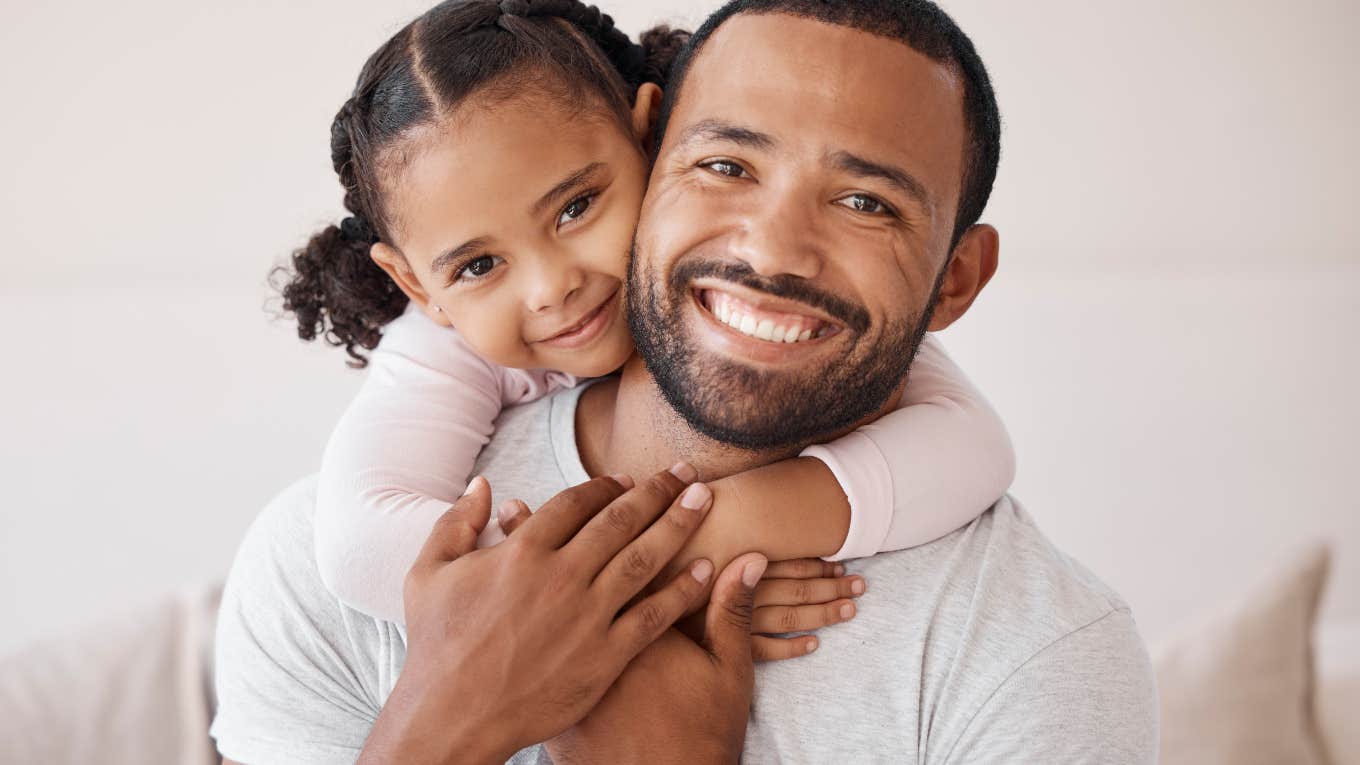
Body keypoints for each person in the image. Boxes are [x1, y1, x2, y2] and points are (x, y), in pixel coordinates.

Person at [212, 0, 1160, 762]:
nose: (774, 248)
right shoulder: (319, 570)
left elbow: (974, 446)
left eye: (867, 202)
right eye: (724, 164)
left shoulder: (1038, 657)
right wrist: (445, 725)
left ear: (956, 276)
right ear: (659, 145)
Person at [272, 0, 1015, 655]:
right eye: (477, 265)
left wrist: (726, 528)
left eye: (575, 209)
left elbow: (974, 446)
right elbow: (360, 543)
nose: (550, 284)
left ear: (649, 141)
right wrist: (653, 584)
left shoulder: (798, 311)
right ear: (416, 285)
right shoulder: (442, 346)